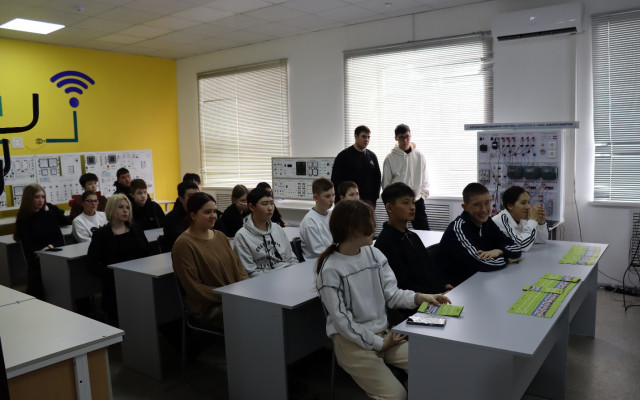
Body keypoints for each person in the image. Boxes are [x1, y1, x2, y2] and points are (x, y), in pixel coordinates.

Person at [315, 199, 450, 400]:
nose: (374, 227)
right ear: (352, 229)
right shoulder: (331, 270)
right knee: (396, 395)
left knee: (433, 365)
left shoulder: (374, 254)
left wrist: (420, 298)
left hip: (384, 336)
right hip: (352, 344)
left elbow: (392, 294)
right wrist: (380, 344)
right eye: (369, 223)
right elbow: (343, 323)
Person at [172, 192, 249, 329]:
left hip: (233, 297)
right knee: (255, 314)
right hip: (209, 307)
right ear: (193, 215)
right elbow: (195, 288)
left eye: (214, 211)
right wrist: (228, 295)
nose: (213, 215)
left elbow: (238, 267)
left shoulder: (219, 236)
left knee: (266, 307)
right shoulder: (184, 244)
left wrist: (244, 288)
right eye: (208, 212)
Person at [437, 183, 522, 286]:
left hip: (478, 279)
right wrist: (507, 258)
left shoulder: (487, 222)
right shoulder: (458, 229)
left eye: (487, 203)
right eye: (477, 204)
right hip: (456, 286)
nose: (484, 209)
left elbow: (516, 247)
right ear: (465, 207)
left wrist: (500, 251)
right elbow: (482, 263)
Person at [375, 182, 451, 295]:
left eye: (413, 202)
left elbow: (430, 269)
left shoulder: (412, 236)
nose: (412, 207)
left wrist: (444, 285)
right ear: (389, 208)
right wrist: (436, 294)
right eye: (406, 203)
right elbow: (402, 285)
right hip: (417, 301)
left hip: (434, 295)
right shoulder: (386, 242)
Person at [87, 194, 150, 324]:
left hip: (138, 279)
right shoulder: (101, 234)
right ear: (111, 209)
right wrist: (111, 275)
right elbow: (92, 264)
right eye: (121, 207)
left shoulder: (136, 228)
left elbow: (147, 253)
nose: (125, 210)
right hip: (114, 284)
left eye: (128, 207)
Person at [14, 184, 69, 299]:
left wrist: (49, 247)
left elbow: (60, 239)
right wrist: (44, 251)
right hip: (38, 261)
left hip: (55, 254)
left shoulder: (49, 215)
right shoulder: (23, 220)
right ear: (29, 199)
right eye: (37, 197)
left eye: (43, 197)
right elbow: (29, 248)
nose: (41, 200)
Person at [233, 188, 298, 277]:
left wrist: (294, 274)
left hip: (286, 275)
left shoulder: (277, 228)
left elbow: (291, 259)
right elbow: (250, 273)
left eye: (272, 203)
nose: (270, 208)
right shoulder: (242, 236)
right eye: (264, 204)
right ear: (251, 207)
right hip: (262, 280)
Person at [382, 123, 430, 230]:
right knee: (396, 231)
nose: (405, 140)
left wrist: (423, 196)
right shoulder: (390, 158)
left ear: (410, 136)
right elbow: (386, 184)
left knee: (423, 231)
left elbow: (425, 178)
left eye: (407, 137)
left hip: (417, 200)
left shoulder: (419, 156)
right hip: (398, 202)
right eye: (401, 138)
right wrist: (392, 202)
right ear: (396, 138)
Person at [331, 125, 381, 207]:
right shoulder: (343, 156)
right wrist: (338, 202)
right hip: (349, 202)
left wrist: (374, 198)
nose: (366, 140)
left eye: (368, 137)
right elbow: (335, 180)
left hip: (368, 202)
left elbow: (377, 178)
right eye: (363, 136)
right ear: (356, 136)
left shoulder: (372, 156)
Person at [492, 186, 549, 252]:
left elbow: (541, 240)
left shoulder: (521, 220)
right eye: (523, 203)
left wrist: (540, 222)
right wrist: (533, 220)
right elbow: (520, 245)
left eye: (528, 202)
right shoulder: (501, 220)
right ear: (510, 206)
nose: (528, 207)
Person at [299, 178, 334, 260]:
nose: (332, 200)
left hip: (331, 257)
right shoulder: (310, 221)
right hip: (316, 262)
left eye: (333, 195)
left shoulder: (331, 214)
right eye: (327, 196)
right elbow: (319, 252)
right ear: (315, 198)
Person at [161, 181, 199, 252]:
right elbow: (180, 241)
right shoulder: (171, 218)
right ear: (181, 199)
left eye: (197, 196)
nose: (195, 199)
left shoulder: (202, 212)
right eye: (190, 196)